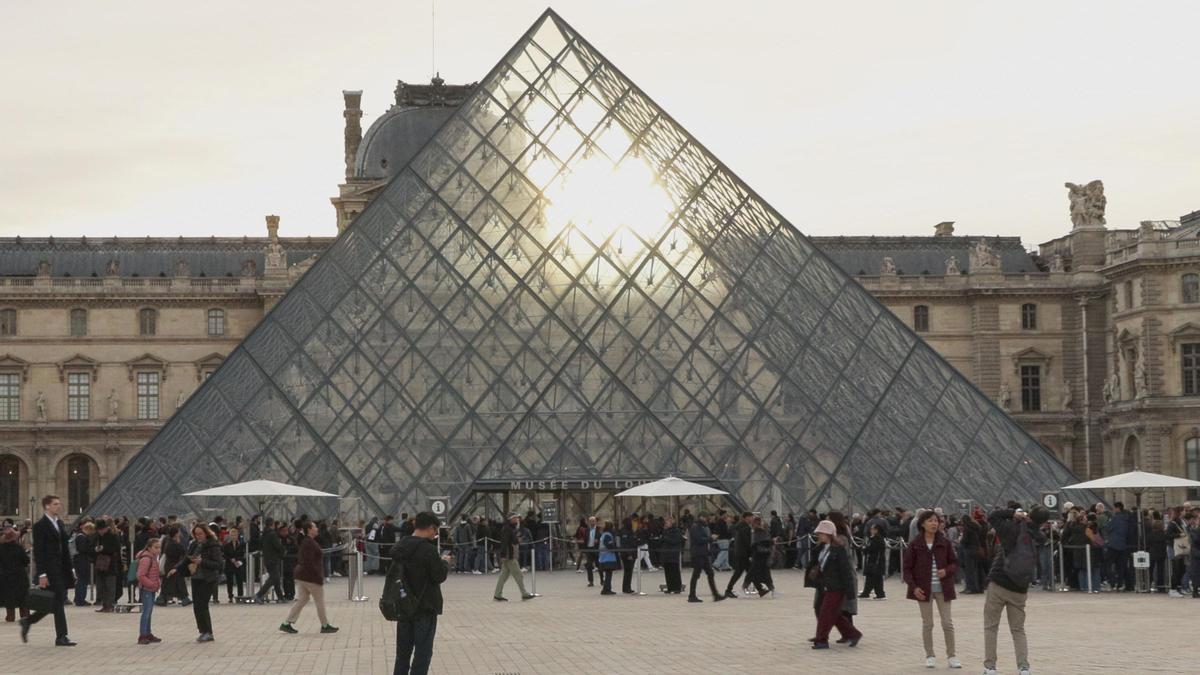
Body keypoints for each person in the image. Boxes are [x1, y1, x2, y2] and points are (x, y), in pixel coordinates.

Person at [981, 505, 1047, 675]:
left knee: (991, 627)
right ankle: (1023, 667)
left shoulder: (1011, 528)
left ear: (1028, 515)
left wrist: (1014, 514)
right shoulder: (1039, 537)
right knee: (1018, 630)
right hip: (1020, 587)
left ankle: (990, 667)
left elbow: (993, 516)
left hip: (999, 581)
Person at [391, 511, 452, 675]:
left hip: (404, 605)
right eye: (436, 530)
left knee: (402, 654)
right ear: (431, 527)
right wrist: (444, 563)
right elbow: (438, 576)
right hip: (425, 607)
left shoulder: (400, 546)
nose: (436, 534)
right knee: (422, 653)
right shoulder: (428, 550)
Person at [903, 510, 960, 669]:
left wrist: (946, 571)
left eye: (936, 520)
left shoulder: (944, 542)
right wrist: (914, 588)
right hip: (923, 590)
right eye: (930, 521)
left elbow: (954, 563)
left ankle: (952, 655)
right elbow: (907, 569)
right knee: (928, 624)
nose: (934, 523)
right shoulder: (915, 544)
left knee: (947, 623)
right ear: (922, 524)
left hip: (943, 588)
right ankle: (930, 655)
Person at [20, 495, 76, 646]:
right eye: (56, 504)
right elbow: (39, 551)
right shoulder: (40, 526)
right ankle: (61, 636)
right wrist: (42, 573)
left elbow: (64, 548)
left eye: (59, 503)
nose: (59, 506)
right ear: (47, 506)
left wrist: (70, 568)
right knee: (58, 601)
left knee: (54, 602)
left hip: (61, 568)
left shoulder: (59, 523)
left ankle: (28, 621)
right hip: (50, 570)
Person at [809, 520, 862, 649]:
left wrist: (850, 592)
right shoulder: (821, 548)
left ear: (829, 534)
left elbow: (846, 571)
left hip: (837, 587)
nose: (819, 536)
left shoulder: (839, 550)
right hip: (825, 585)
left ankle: (821, 640)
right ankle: (853, 633)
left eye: (821, 533)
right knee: (834, 614)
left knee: (826, 614)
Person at [279, 521, 339, 634]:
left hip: (303, 575)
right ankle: (325, 625)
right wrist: (318, 577)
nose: (316, 528)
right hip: (310, 576)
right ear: (309, 529)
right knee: (319, 600)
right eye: (314, 527)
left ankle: (286, 623)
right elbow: (310, 561)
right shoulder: (309, 543)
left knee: (302, 599)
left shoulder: (307, 541)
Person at [169, 523, 223, 643]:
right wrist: (176, 568)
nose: (198, 536)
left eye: (200, 534)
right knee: (196, 605)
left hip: (208, 578)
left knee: (203, 604)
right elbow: (186, 559)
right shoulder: (194, 544)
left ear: (206, 533)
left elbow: (219, 564)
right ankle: (202, 630)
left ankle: (208, 632)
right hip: (196, 577)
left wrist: (202, 562)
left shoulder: (213, 545)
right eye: (196, 534)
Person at [492, 514, 534, 601]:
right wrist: (503, 555)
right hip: (509, 555)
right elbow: (504, 542)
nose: (517, 519)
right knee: (518, 574)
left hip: (508, 555)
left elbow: (511, 540)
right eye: (515, 518)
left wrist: (517, 539)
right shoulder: (507, 529)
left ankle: (497, 594)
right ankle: (524, 593)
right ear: (510, 519)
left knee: (503, 576)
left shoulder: (510, 529)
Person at [686, 513, 724, 603]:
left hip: (704, 553)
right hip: (698, 553)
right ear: (701, 517)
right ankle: (692, 595)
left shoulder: (704, 527)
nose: (707, 519)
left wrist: (710, 539)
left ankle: (715, 594)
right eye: (706, 517)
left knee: (710, 573)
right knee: (696, 574)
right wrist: (711, 538)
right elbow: (698, 539)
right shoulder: (695, 527)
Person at [135, 537, 163, 644]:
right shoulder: (146, 559)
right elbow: (140, 575)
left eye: (159, 548)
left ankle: (147, 633)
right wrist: (151, 584)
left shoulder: (153, 558)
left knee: (149, 611)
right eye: (156, 547)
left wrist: (157, 583)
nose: (158, 550)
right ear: (149, 547)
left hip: (151, 588)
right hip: (147, 589)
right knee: (146, 612)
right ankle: (143, 635)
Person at [1, 525, 30, 622]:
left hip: (5, 575)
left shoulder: (1, 549)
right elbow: (26, 560)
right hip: (19, 574)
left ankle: (10, 616)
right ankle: (25, 614)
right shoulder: (18, 548)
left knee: (8, 595)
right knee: (23, 595)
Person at [91, 519, 120, 612]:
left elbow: (116, 548)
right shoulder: (97, 536)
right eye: (99, 529)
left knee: (110, 585)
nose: (100, 531)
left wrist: (104, 548)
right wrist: (95, 549)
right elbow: (90, 547)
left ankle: (110, 605)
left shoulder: (112, 536)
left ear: (106, 528)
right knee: (101, 586)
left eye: (102, 529)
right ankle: (104, 605)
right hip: (100, 564)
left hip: (110, 564)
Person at [254, 521, 286, 603]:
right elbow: (278, 545)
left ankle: (280, 597)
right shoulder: (272, 534)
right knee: (273, 578)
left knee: (276, 578)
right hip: (273, 558)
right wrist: (283, 550)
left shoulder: (264, 534)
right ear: (272, 525)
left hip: (267, 558)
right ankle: (259, 595)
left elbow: (260, 544)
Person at [723, 512, 753, 598]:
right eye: (751, 517)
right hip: (743, 554)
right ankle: (729, 590)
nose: (752, 519)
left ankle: (759, 588)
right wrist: (751, 552)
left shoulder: (740, 526)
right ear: (746, 518)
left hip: (740, 553)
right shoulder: (745, 527)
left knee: (749, 571)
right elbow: (747, 542)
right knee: (740, 572)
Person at [860, 523, 887, 600]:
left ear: (876, 530)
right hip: (874, 561)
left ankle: (867, 593)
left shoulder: (877, 539)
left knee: (873, 577)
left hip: (875, 562)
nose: (871, 530)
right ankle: (879, 593)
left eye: (872, 529)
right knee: (875, 578)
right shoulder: (873, 538)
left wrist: (865, 549)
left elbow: (872, 549)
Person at [71, 522, 94, 606]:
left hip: (79, 560)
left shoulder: (79, 536)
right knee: (82, 580)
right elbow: (82, 549)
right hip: (82, 561)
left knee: (81, 580)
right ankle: (80, 599)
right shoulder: (82, 537)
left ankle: (79, 598)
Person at [659, 516, 684, 594]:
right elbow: (662, 540)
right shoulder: (665, 531)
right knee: (668, 571)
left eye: (667, 522)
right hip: (666, 554)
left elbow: (675, 541)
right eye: (666, 522)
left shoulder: (676, 531)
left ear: (672, 522)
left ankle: (677, 587)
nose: (666, 524)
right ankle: (670, 587)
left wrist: (665, 538)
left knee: (675, 571)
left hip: (673, 554)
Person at [222, 526, 245, 601]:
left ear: (237, 535)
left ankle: (240, 596)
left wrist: (238, 560)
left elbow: (243, 555)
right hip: (230, 565)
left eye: (235, 535)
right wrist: (230, 559)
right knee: (230, 582)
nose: (234, 536)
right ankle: (230, 596)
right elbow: (224, 555)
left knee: (239, 581)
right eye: (232, 535)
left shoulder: (241, 545)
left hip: (238, 564)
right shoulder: (226, 545)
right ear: (230, 535)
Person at [596, 522, 619, 595]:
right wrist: (615, 549)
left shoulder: (603, 534)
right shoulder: (608, 535)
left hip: (603, 557)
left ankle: (607, 588)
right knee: (609, 574)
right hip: (608, 557)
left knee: (608, 574)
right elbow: (609, 545)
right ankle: (606, 589)